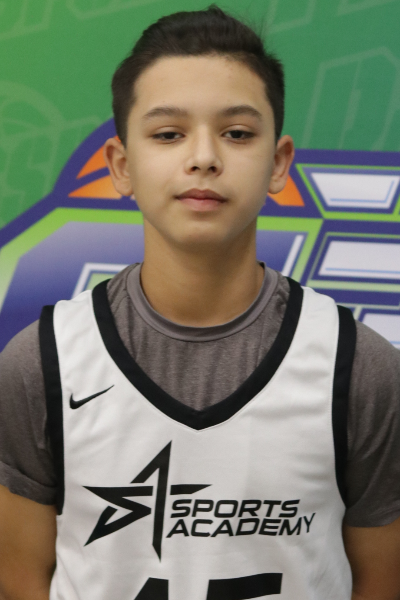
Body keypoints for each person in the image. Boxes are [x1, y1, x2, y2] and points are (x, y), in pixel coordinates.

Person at [0, 6, 399, 600]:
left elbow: (380, 583)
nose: (204, 157)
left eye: (237, 133)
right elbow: (21, 581)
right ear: (121, 165)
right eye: (168, 134)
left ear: (279, 163)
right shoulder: (43, 362)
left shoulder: (359, 367)